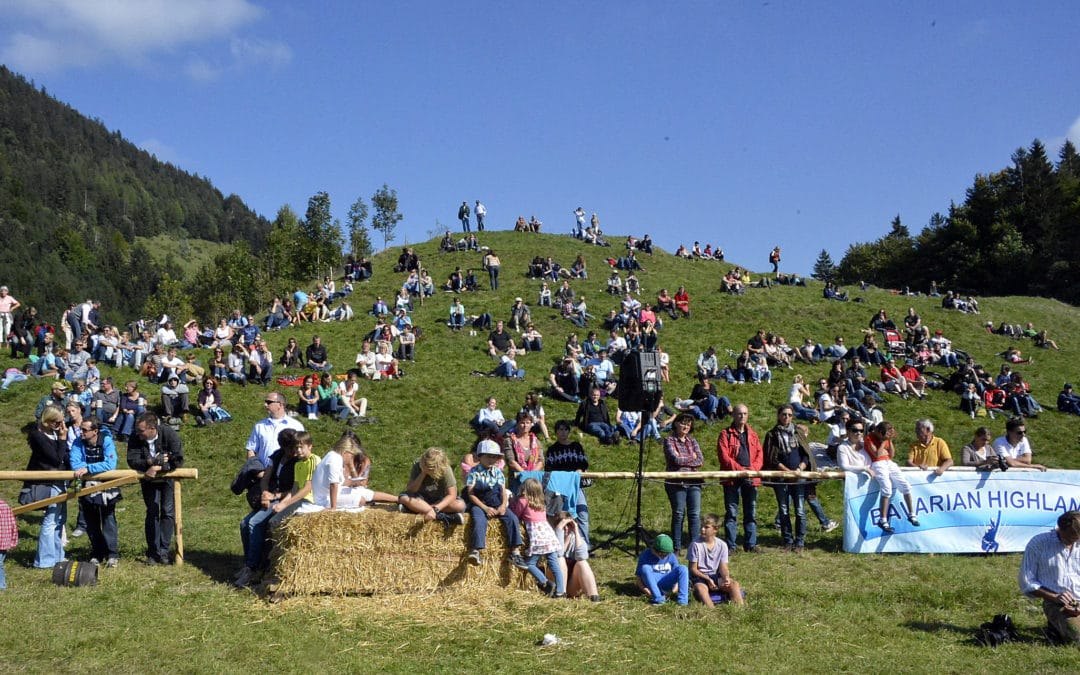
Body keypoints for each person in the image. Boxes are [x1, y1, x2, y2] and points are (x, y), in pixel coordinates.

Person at [126, 412, 184, 564]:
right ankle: (153, 552)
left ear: (152, 428)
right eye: (138, 431)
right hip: (147, 480)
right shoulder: (135, 437)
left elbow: (178, 459)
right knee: (152, 512)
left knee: (167, 512)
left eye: (141, 431)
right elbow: (132, 460)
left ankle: (164, 551)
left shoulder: (169, 433)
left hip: (167, 479)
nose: (138, 434)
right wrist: (150, 462)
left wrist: (159, 467)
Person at [1018, 510, 1080, 645]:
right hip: (1057, 603)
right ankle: (1059, 626)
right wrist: (1055, 597)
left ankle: (1059, 628)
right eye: (1071, 537)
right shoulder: (1039, 543)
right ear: (1060, 528)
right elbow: (1027, 581)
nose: (1075, 540)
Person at [464, 439, 526, 567]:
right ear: (480, 457)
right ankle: (476, 550)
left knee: (512, 518)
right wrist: (485, 508)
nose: (491, 459)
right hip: (479, 503)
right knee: (479, 519)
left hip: (496, 501)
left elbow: (503, 491)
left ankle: (515, 552)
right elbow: (471, 494)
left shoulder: (498, 472)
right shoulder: (474, 472)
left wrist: (503, 505)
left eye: (494, 457)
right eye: (488, 456)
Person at [71, 417, 121, 567]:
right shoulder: (78, 442)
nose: (82, 433)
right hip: (86, 486)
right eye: (81, 429)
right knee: (91, 521)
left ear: (95, 431)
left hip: (107, 486)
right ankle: (97, 553)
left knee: (108, 519)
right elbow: (75, 463)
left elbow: (110, 464)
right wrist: (89, 469)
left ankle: (112, 554)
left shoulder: (106, 440)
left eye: (85, 430)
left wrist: (88, 469)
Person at [24, 407, 70, 568]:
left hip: (58, 480)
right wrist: (63, 439)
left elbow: (63, 456)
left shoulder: (53, 433)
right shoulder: (38, 436)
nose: (59, 424)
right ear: (47, 420)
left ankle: (58, 555)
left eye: (61, 421)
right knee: (50, 521)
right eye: (56, 422)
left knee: (59, 519)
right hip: (47, 482)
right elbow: (56, 459)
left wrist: (61, 438)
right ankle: (44, 560)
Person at [716, 404, 763, 552]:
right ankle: (731, 545)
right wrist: (741, 470)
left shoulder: (753, 435)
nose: (742, 416)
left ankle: (751, 544)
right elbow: (724, 457)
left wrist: (753, 470)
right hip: (732, 478)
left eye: (745, 413)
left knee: (751, 512)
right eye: (739, 414)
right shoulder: (725, 434)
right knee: (731, 512)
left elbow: (759, 455)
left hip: (750, 478)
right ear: (733, 415)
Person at [763, 405, 811, 553]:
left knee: (800, 510)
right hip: (781, 477)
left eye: (790, 415)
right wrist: (786, 471)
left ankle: (800, 542)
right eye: (784, 414)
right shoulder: (772, 434)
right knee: (784, 510)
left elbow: (806, 455)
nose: (787, 417)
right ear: (778, 415)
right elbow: (771, 457)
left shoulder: (798, 433)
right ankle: (788, 540)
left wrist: (798, 470)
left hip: (798, 476)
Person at [510, 478, 566, 597]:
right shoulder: (541, 502)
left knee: (529, 563)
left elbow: (515, 516)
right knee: (554, 563)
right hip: (548, 535)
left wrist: (512, 504)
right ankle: (561, 591)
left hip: (538, 537)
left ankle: (545, 582)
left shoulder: (523, 501)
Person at [864, 421, 919, 534]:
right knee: (887, 489)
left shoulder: (886, 439)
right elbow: (877, 454)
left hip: (888, 462)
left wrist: (890, 441)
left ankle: (911, 514)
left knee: (906, 486)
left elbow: (892, 455)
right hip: (878, 463)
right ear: (879, 432)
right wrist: (884, 442)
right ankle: (883, 519)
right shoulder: (869, 438)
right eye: (885, 434)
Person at [663, 413, 704, 555]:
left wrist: (685, 458)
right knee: (679, 513)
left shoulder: (692, 441)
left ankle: (695, 546)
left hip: (694, 482)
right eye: (683, 423)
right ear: (675, 423)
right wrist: (690, 458)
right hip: (676, 482)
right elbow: (675, 460)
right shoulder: (669, 440)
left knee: (694, 514)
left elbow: (700, 460)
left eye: (688, 424)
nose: (686, 426)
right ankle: (676, 547)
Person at [688, 514, 745, 606]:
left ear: (715, 529)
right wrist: (707, 579)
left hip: (715, 575)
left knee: (734, 584)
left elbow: (723, 567)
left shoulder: (722, 545)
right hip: (700, 577)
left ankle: (740, 610)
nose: (702, 529)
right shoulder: (695, 545)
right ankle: (711, 611)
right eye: (701, 526)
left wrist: (726, 577)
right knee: (701, 589)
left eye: (706, 527)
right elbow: (693, 569)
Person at [398, 447, 467, 524]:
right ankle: (442, 517)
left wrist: (435, 509)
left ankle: (414, 509)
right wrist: (423, 473)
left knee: (460, 505)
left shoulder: (446, 469)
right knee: (404, 498)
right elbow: (411, 490)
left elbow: (452, 495)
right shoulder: (418, 465)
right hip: (420, 499)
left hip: (439, 500)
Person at [245, 391, 305, 467]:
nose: (265, 405)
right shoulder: (259, 426)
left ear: (280, 404)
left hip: (287, 474)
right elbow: (251, 450)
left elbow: (303, 450)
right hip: (262, 474)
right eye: (265, 402)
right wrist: (257, 471)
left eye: (269, 402)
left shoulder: (296, 426)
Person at [635, 533, 689, 606]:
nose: (664, 556)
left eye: (666, 554)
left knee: (683, 568)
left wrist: (673, 591)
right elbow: (638, 579)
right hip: (651, 583)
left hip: (665, 582)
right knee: (645, 568)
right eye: (661, 554)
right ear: (654, 549)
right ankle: (658, 599)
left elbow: (677, 573)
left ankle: (682, 602)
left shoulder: (671, 556)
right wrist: (646, 591)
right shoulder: (645, 555)